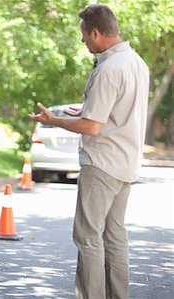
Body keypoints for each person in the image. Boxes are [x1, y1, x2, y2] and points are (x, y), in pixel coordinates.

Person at [29, 4, 149, 299]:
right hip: (126, 164)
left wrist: (54, 120)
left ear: (95, 32)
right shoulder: (136, 62)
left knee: (87, 237)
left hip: (102, 164)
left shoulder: (109, 68)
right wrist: (87, 109)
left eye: (84, 35)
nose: (83, 41)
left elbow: (92, 127)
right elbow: (118, 110)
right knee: (115, 236)